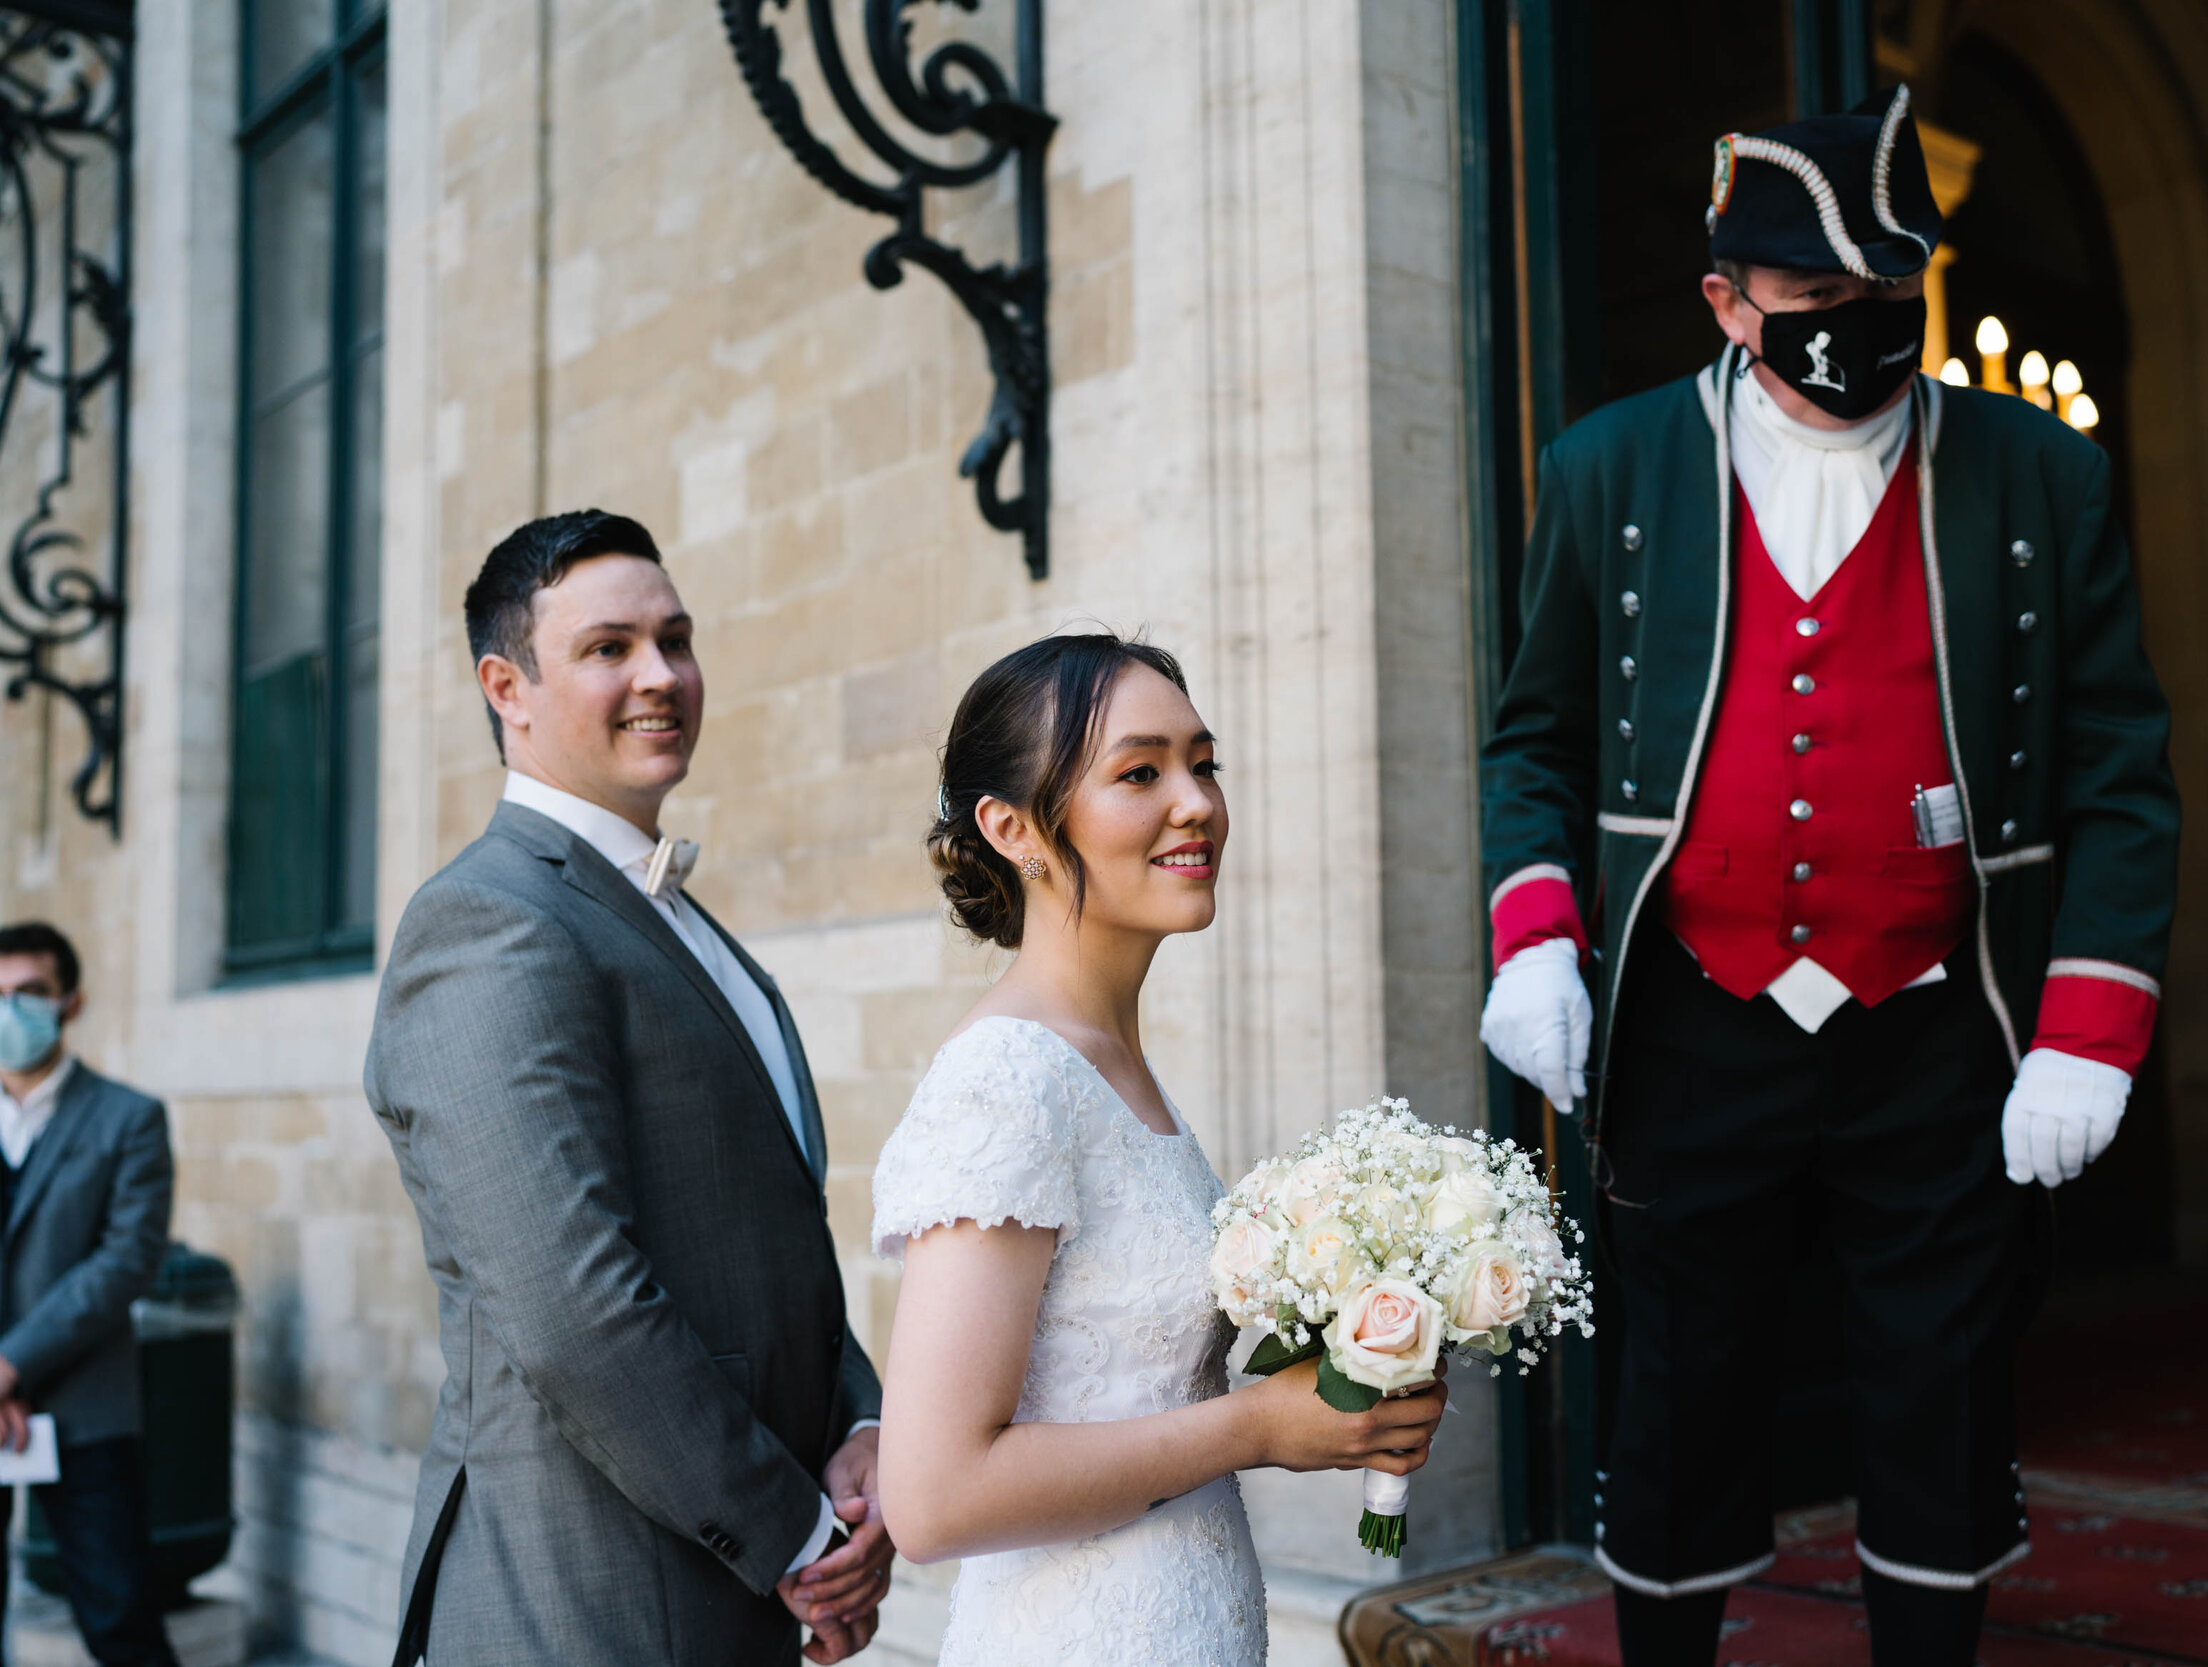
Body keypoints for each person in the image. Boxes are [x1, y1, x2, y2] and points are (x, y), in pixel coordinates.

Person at [1476, 88, 2180, 1666]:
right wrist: (1536, 939)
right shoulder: (1606, 469)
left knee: (1940, 1392)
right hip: (1691, 1011)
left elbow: (2120, 773)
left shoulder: (2037, 475)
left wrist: (2085, 1027)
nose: (1861, 330)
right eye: (1819, 302)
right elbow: (1536, 739)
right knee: (1677, 1388)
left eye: (1891, 297)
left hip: (1941, 1019)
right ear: (1728, 302)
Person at [365, 511, 890, 1666]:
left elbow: (764, 1242)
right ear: (510, 685)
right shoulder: (487, 920)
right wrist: (799, 1533)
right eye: (610, 647)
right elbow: (574, 1308)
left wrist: (858, 1422)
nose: (661, 675)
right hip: (582, 1601)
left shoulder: (674, 914)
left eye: (676, 638)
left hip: (724, 1589)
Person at [869, 635, 1450, 1666]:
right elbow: (933, 1498)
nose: (1194, 802)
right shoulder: (1007, 1081)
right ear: (1013, 828)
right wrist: (1258, 1427)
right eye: (1139, 771)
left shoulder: (1114, 1063)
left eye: (1203, 762)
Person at [0, 920, 177, 1667]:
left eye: (29, 992)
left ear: (70, 1002)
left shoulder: (128, 1118)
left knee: (120, 1617)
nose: (10, 1010)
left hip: (85, 1407)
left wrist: (10, 1364)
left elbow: (124, 1262)